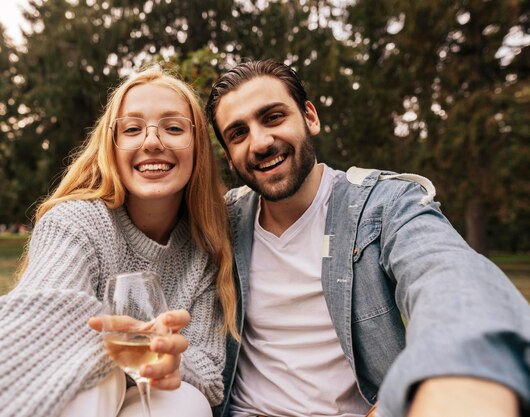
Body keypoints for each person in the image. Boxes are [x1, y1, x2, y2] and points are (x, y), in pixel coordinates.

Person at [0, 66, 238, 417]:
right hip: (67, 385)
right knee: (98, 381)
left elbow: (211, 374)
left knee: (186, 402)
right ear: (112, 146)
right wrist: (116, 345)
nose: (152, 142)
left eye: (173, 128)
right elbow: (40, 321)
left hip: (147, 390)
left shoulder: (206, 243)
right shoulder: (76, 221)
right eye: (132, 129)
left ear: (197, 146)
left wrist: (171, 358)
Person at [205, 59, 530, 417]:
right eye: (238, 134)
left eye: (273, 118)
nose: (260, 142)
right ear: (230, 158)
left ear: (309, 117)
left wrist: (458, 376)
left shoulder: (385, 204)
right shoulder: (221, 223)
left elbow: (449, 275)